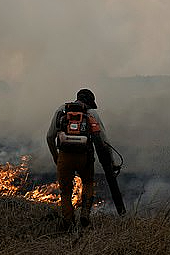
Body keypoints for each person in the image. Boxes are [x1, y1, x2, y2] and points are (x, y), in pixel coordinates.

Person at [47, 88, 126, 229]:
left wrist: (56, 157)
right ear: (90, 102)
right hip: (85, 157)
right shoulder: (92, 113)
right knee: (88, 183)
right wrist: (112, 162)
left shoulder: (62, 109)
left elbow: (49, 137)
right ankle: (84, 214)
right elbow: (104, 141)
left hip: (64, 157)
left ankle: (68, 222)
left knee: (65, 191)